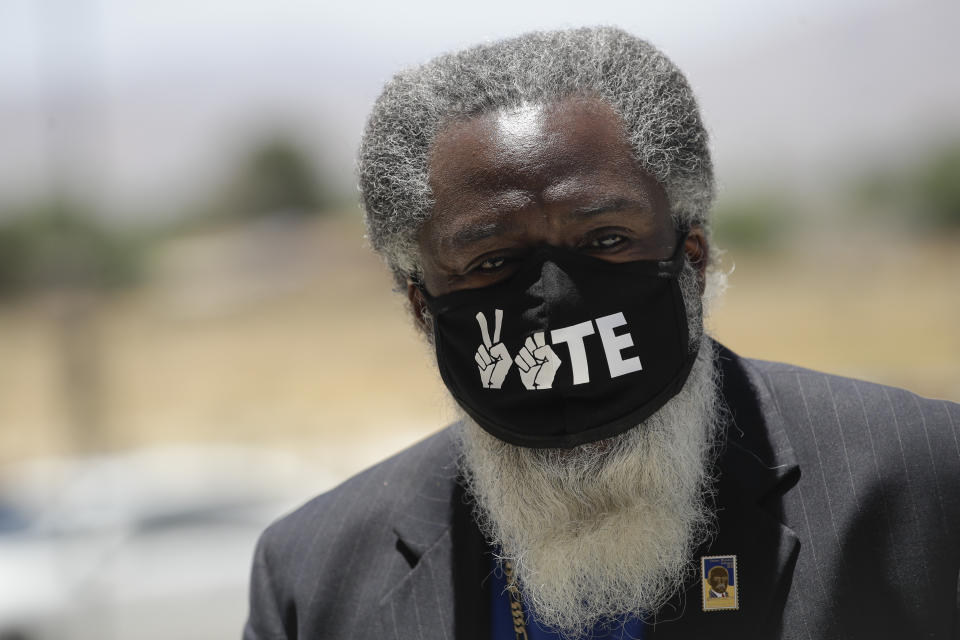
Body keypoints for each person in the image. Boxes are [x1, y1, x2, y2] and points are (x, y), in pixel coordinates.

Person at [243, 27, 960, 639]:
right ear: (421, 309)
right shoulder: (314, 578)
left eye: (605, 238)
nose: (558, 304)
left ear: (693, 257)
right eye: (491, 261)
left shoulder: (921, 483)